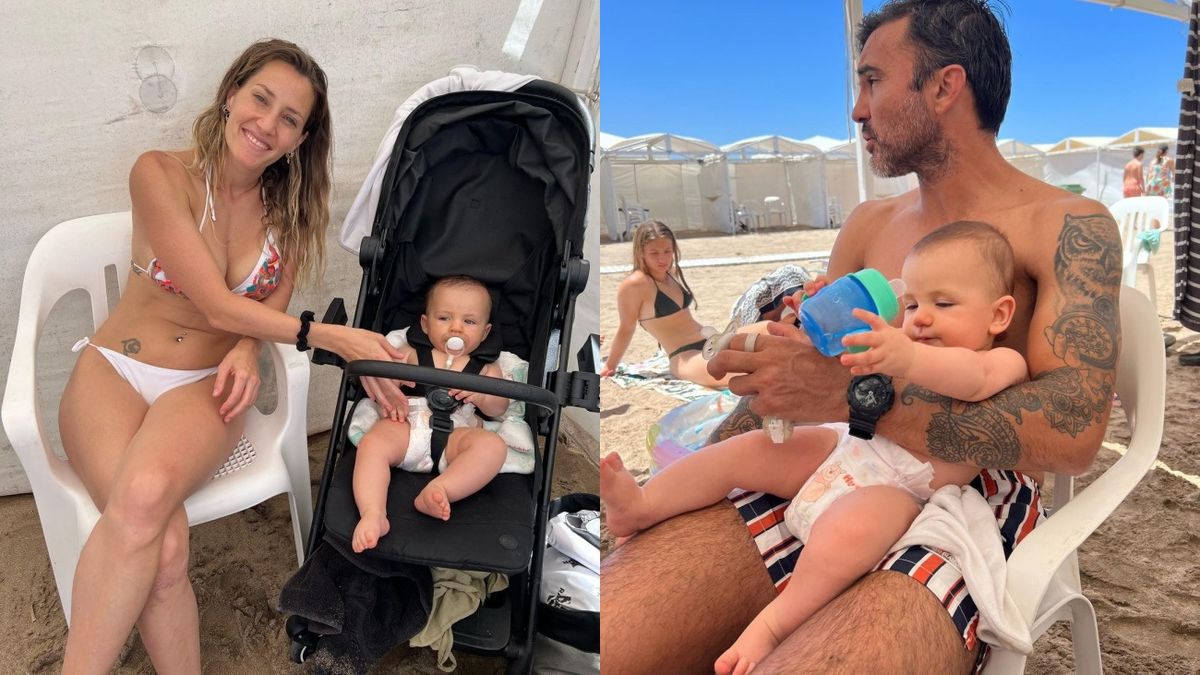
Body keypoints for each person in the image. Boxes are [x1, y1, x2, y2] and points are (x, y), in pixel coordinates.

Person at [600, 2, 1122, 673]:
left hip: (967, 495)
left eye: (873, 81)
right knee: (615, 636)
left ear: (944, 86)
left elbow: (1074, 431)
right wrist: (760, 388)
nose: (856, 109)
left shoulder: (1067, 223)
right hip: (838, 458)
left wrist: (854, 394)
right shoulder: (868, 224)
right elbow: (813, 379)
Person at [57, 39, 411, 674]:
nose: (267, 124)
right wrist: (330, 335)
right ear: (230, 95)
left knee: (143, 504)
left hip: (205, 385)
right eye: (260, 99)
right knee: (162, 550)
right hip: (116, 367)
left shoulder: (290, 212)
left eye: (290, 119)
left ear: (301, 139)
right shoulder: (158, 174)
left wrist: (250, 345)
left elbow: (257, 308)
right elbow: (219, 304)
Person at [603, 221, 1026, 674]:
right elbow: (840, 364)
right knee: (748, 450)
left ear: (998, 316)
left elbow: (972, 381)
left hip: (905, 488)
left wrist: (906, 357)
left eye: (943, 304)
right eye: (913, 303)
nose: (920, 317)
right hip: (850, 446)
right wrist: (826, 320)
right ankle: (646, 505)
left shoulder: (1001, 361)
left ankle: (772, 626)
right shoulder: (904, 340)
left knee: (852, 531)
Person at [350, 275, 510, 552]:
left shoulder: (486, 367)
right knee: (373, 444)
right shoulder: (411, 352)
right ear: (425, 323)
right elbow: (382, 378)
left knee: (493, 447)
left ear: (485, 332)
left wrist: (483, 396)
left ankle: (441, 489)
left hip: (457, 436)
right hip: (408, 423)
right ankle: (373, 513)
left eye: (469, 322)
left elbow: (500, 408)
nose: (456, 328)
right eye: (444, 318)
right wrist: (392, 385)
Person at [601, 220, 767, 388]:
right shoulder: (635, 285)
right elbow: (626, 328)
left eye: (667, 251)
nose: (662, 258)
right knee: (754, 371)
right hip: (686, 356)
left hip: (713, 340)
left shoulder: (671, 273)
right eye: (654, 253)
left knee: (769, 328)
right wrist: (610, 366)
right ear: (640, 252)